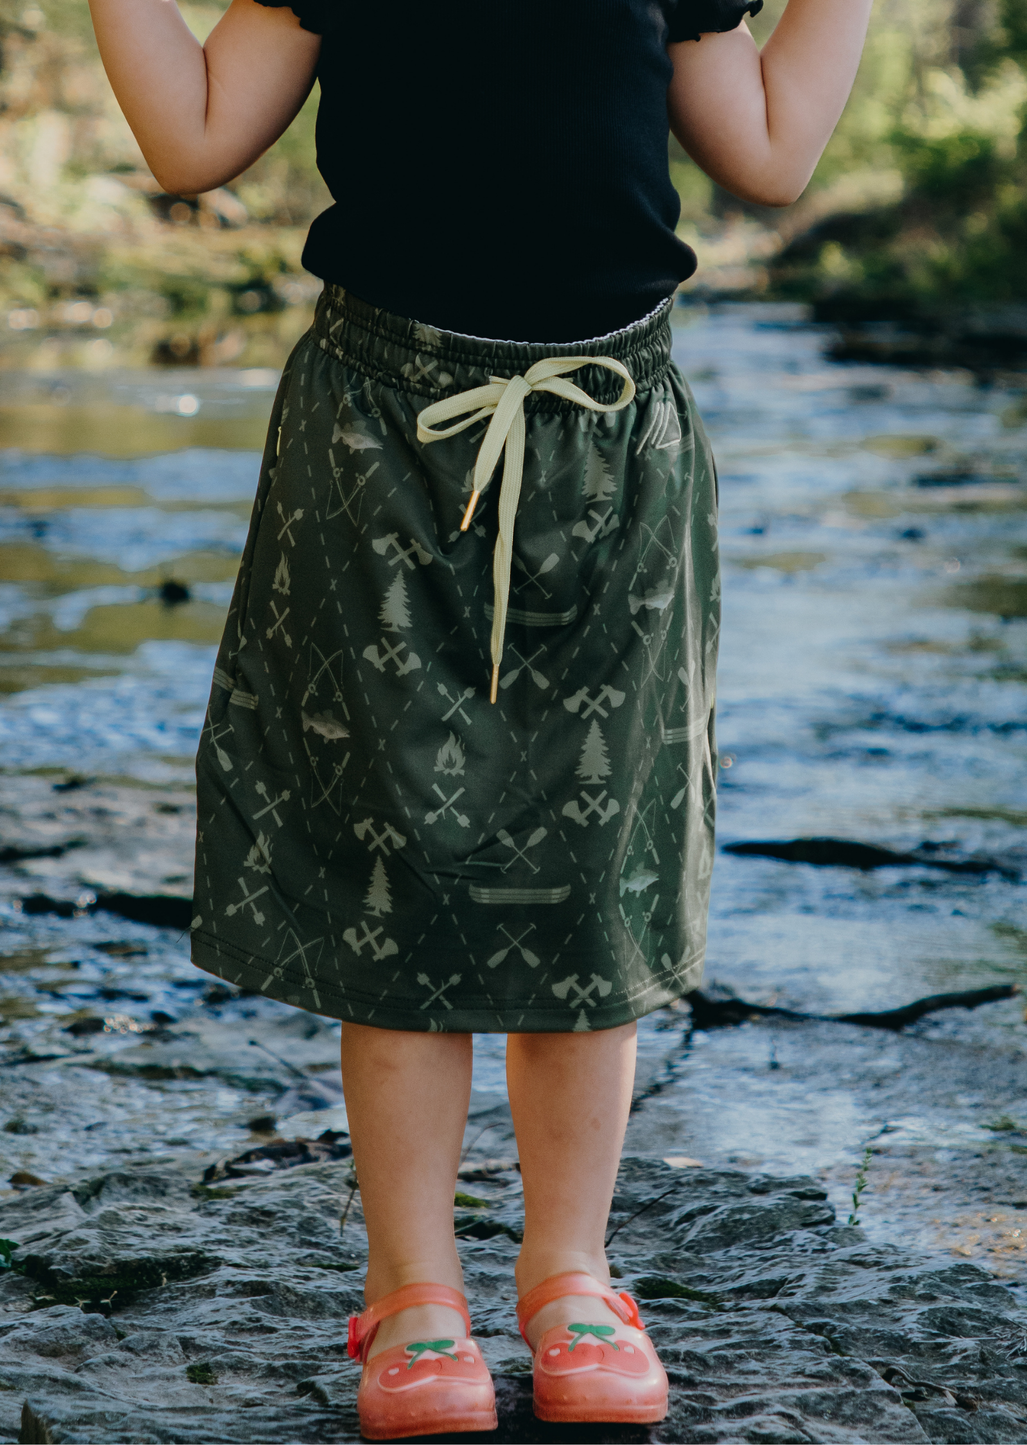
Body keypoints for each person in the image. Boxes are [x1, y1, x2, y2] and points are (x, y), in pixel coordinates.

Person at [87, 0, 871, 1435]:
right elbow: (193, 139)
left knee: (592, 883)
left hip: (611, 436)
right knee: (400, 872)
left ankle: (570, 1273)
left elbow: (768, 147)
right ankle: (415, 1298)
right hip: (380, 441)